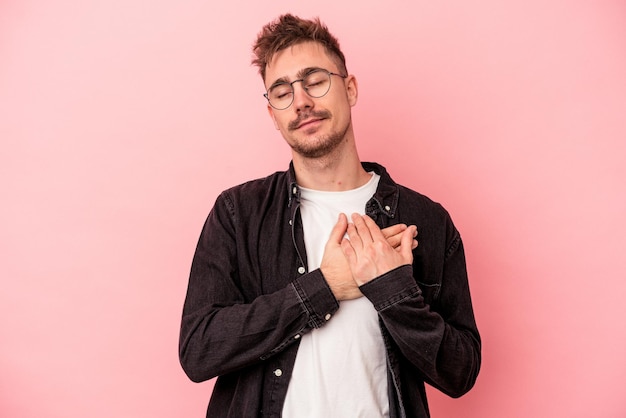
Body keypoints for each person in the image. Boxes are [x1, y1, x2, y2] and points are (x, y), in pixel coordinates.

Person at [179, 14, 481, 418]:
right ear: (273, 115)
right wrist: (325, 287)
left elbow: (460, 373)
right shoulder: (238, 214)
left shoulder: (425, 220)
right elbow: (199, 349)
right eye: (282, 92)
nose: (301, 100)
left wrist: (392, 289)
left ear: (350, 88)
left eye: (315, 80)